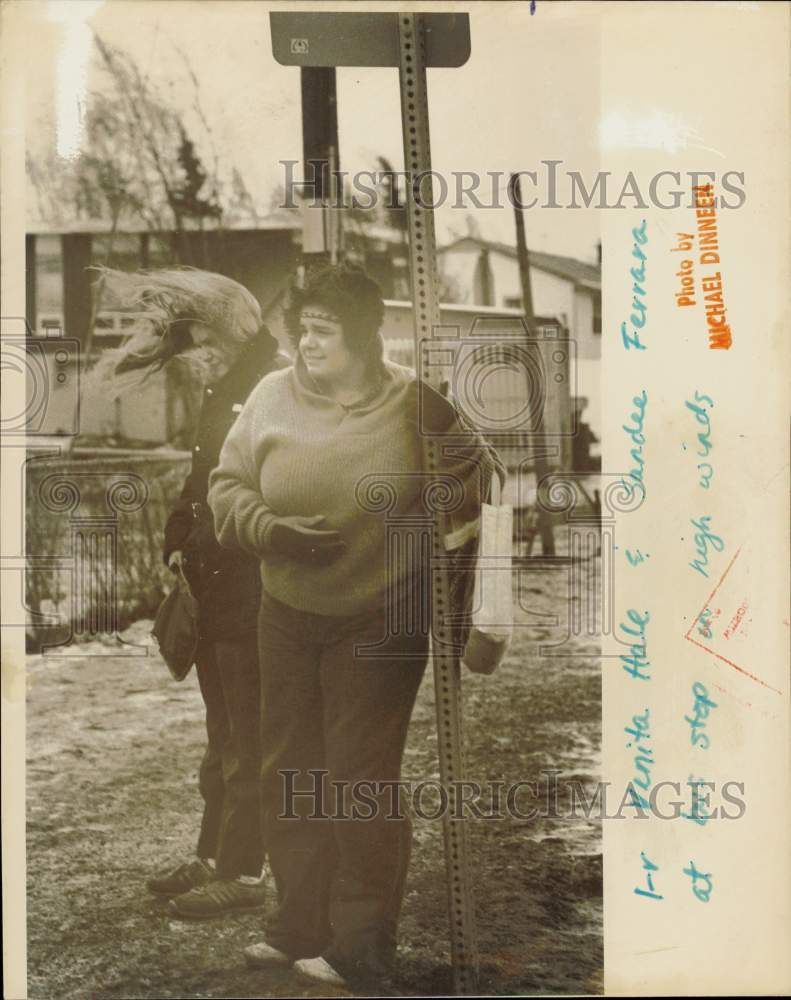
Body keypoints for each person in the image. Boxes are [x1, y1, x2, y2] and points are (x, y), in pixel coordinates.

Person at [208, 263, 503, 987]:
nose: (307, 343)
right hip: (285, 613)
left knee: (357, 779)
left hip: (381, 620)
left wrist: (472, 607)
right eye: (302, 329)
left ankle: (360, 943)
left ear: (364, 338)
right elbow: (227, 485)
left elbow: (484, 482)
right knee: (289, 771)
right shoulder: (271, 396)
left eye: (324, 332)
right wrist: (273, 532)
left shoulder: (411, 404)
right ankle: (297, 923)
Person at [90, 268, 289, 918]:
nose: (192, 343)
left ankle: (244, 872)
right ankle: (212, 857)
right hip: (213, 584)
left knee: (247, 739)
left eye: (199, 329)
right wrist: (179, 532)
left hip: (251, 586)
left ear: (231, 329)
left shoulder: (272, 386)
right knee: (222, 735)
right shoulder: (225, 385)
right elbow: (202, 479)